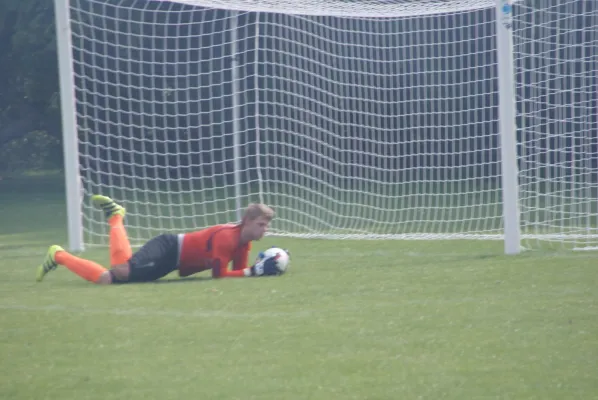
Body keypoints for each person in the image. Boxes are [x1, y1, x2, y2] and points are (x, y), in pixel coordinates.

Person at [36, 195, 285, 284]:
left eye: (267, 225)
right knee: (122, 270)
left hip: (171, 263)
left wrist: (255, 272)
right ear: (248, 222)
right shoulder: (227, 237)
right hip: (168, 247)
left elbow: (238, 273)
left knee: (106, 279)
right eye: (262, 225)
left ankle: (57, 255)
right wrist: (254, 273)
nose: (265, 230)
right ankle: (115, 217)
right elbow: (220, 276)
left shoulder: (245, 243)